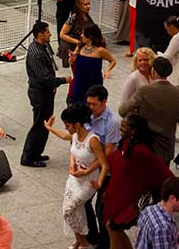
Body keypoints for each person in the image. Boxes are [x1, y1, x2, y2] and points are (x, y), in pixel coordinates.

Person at [102, 114, 173, 249]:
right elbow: (113, 160)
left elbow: (164, 173)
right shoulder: (126, 143)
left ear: (133, 131)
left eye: (124, 126)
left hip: (135, 201)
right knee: (112, 227)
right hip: (121, 196)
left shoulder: (141, 151)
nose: (120, 128)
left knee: (113, 227)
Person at [44, 104, 109, 249]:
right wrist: (49, 128)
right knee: (72, 211)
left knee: (68, 210)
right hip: (74, 178)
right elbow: (65, 138)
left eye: (68, 125)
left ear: (77, 125)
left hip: (88, 181)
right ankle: (80, 239)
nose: (66, 128)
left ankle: (84, 243)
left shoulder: (93, 140)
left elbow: (104, 164)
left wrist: (99, 183)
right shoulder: (74, 135)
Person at [21, 21, 71, 168]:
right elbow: (44, 78)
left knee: (45, 124)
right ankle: (28, 157)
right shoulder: (36, 53)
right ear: (40, 34)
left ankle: (37, 153)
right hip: (39, 93)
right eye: (48, 32)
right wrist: (63, 80)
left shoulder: (44, 46)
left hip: (47, 92)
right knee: (39, 125)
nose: (50, 34)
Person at [120, 57, 179, 166]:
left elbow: (123, 110)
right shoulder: (178, 93)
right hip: (166, 148)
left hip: (145, 144)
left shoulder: (145, 91)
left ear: (153, 71)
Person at [83, 85, 121, 248]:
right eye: (88, 104)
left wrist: (90, 168)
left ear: (104, 102)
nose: (90, 107)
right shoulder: (88, 116)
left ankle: (104, 243)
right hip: (91, 168)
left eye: (94, 104)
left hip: (107, 172)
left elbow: (108, 153)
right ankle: (92, 234)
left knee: (101, 209)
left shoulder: (112, 122)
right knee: (84, 200)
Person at [71, 23, 116, 104]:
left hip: (93, 84)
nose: (81, 35)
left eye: (83, 33)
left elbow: (113, 61)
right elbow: (72, 62)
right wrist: (72, 59)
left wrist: (107, 70)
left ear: (90, 36)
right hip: (79, 83)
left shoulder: (100, 50)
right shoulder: (80, 47)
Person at [135, 177, 179, 249]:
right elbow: (160, 232)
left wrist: (174, 239)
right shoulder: (163, 228)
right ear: (172, 198)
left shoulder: (149, 209)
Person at [59, 0, 94, 68]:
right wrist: (77, 41)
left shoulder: (88, 18)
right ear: (79, 6)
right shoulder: (73, 18)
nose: (88, 6)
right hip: (74, 48)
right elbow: (62, 34)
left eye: (89, 4)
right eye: (85, 4)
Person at [161, 16, 179, 86]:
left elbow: (167, 56)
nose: (167, 32)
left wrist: (156, 55)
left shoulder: (178, 37)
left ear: (171, 26)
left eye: (167, 29)